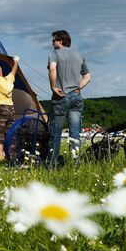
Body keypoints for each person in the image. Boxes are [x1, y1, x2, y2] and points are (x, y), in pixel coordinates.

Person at [47, 30, 91, 167]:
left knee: (56, 133)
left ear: (60, 41)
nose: (52, 43)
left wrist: (53, 86)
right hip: (76, 97)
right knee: (75, 133)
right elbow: (88, 77)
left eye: (53, 40)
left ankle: (51, 165)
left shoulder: (54, 54)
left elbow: (52, 69)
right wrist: (78, 88)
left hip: (61, 96)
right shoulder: (79, 55)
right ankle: (75, 164)